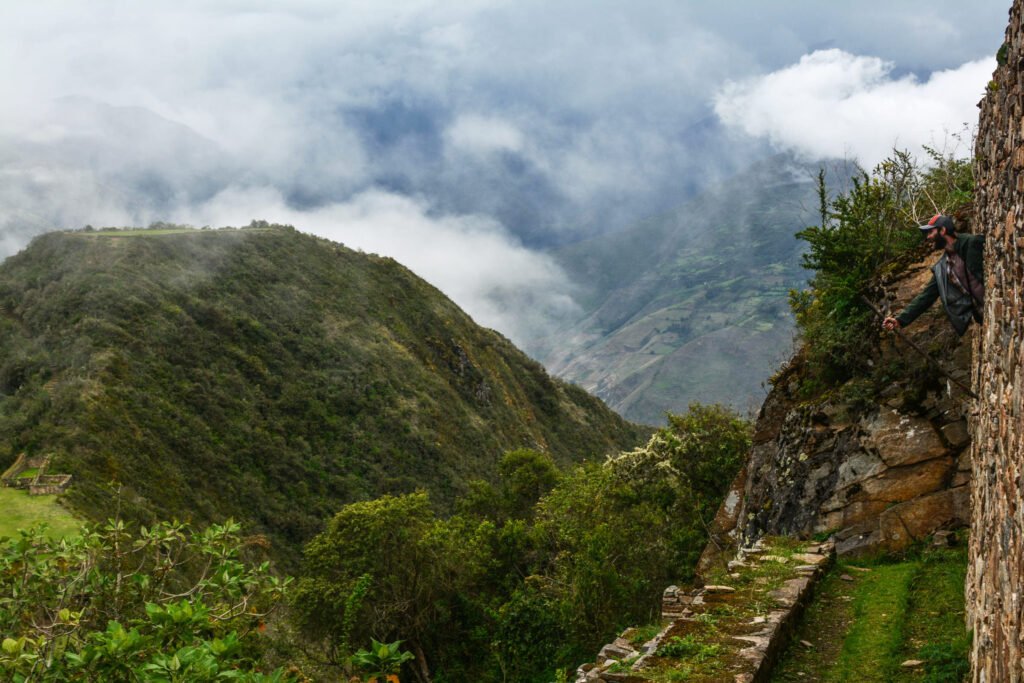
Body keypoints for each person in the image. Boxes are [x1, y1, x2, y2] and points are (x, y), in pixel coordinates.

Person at [882, 214, 985, 336]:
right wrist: (900, 320)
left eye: (930, 232)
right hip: (984, 314)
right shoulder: (942, 267)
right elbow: (926, 296)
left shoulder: (971, 243)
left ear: (943, 230)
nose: (928, 237)